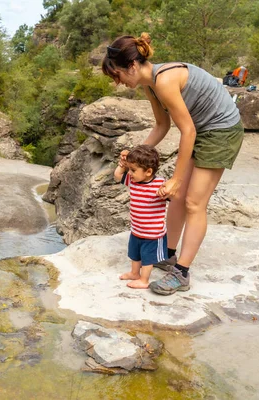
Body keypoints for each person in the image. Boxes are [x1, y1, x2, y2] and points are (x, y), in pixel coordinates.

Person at [102, 33, 244, 295]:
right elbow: (162, 125)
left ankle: (182, 273)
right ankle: (167, 255)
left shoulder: (164, 80)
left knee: (193, 201)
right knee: (176, 198)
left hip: (221, 130)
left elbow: (187, 131)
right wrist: (135, 155)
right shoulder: (150, 84)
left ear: (131, 66)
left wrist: (176, 179)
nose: (117, 83)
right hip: (202, 129)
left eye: (117, 75)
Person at [114, 144, 173, 290]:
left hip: (153, 234)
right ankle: (135, 273)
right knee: (135, 254)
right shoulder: (133, 181)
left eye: (133, 170)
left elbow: (172, 196)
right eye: (129, 169)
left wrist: (167, 193)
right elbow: (117, 176)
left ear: (148, 171)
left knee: (148, 258)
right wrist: (122, 166)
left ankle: (144, 280)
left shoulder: (160, 184)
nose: (130, 173)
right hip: (137, 230)